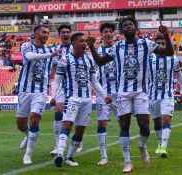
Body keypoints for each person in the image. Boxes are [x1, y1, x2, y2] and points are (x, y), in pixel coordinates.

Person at [86, 16, 174, 173]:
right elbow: (100, 62)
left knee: (145, 127)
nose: (128, 27)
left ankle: (142, 145)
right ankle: (127, 161)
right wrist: (92, 47)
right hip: (123, 93)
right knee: (124, 124)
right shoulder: (118, 46)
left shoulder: (146, 43)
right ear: (121, 30)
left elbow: (168, 51)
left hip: (141, 92)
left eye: (131, 24)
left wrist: (166, 35)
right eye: (125, 25)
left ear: (136, 28)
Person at [50, 33, 112, 168]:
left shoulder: (89, 60)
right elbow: (57, 81)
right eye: (81, 41)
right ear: (73, 43)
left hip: (87, 99)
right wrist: (53, 96)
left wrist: (104, 95)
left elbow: (94, 81)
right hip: (72, 97)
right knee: (67, 124)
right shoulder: (64, 60)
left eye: (85, 41)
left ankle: (69, 156)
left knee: (80, 130)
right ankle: (60, 154)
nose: (84, 43)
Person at [16, 25, 59, 165]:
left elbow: (55, 66)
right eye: (44, 32)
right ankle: (28, 135)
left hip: (41, 91)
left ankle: (28, 155)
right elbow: (30, 57)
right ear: (35, 33)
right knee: (20, 124)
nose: (47, 35)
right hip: (25, 89)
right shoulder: (26, 46)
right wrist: (50, 55)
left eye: (48, 33)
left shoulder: (51, 49)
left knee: (34, 118)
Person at [148, 33, 182, 158]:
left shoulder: (173, 58)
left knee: (166, 118)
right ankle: (159, 144)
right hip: (152, 95)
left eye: (163, 43)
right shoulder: (149, 58)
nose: (161, 45)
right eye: (158, 43)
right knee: (157, 122)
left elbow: (179, 76)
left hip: (167, 95)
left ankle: (163, 147)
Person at [50, 24, 75, 156]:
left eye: (68, 32)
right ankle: (57, 144)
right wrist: (52, 83)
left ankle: (77, 142)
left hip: (74, 86)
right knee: (58, 113)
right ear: (59, 35)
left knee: (71, 115)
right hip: (60, 86)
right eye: (63, 32)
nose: (66, 34)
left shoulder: (75, 47)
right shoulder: (55, 50)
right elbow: (53, 68)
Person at [95, 23, 118, 166]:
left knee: (124, 122)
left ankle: (125, 151)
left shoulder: (120, 49)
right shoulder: (96, 51)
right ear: (101, 34)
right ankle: (103, 155)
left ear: (114, 34)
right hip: (103, 92)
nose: (108, 33)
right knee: (102, 122)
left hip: (120, 92)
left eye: (111, 31)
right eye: (105, 31)